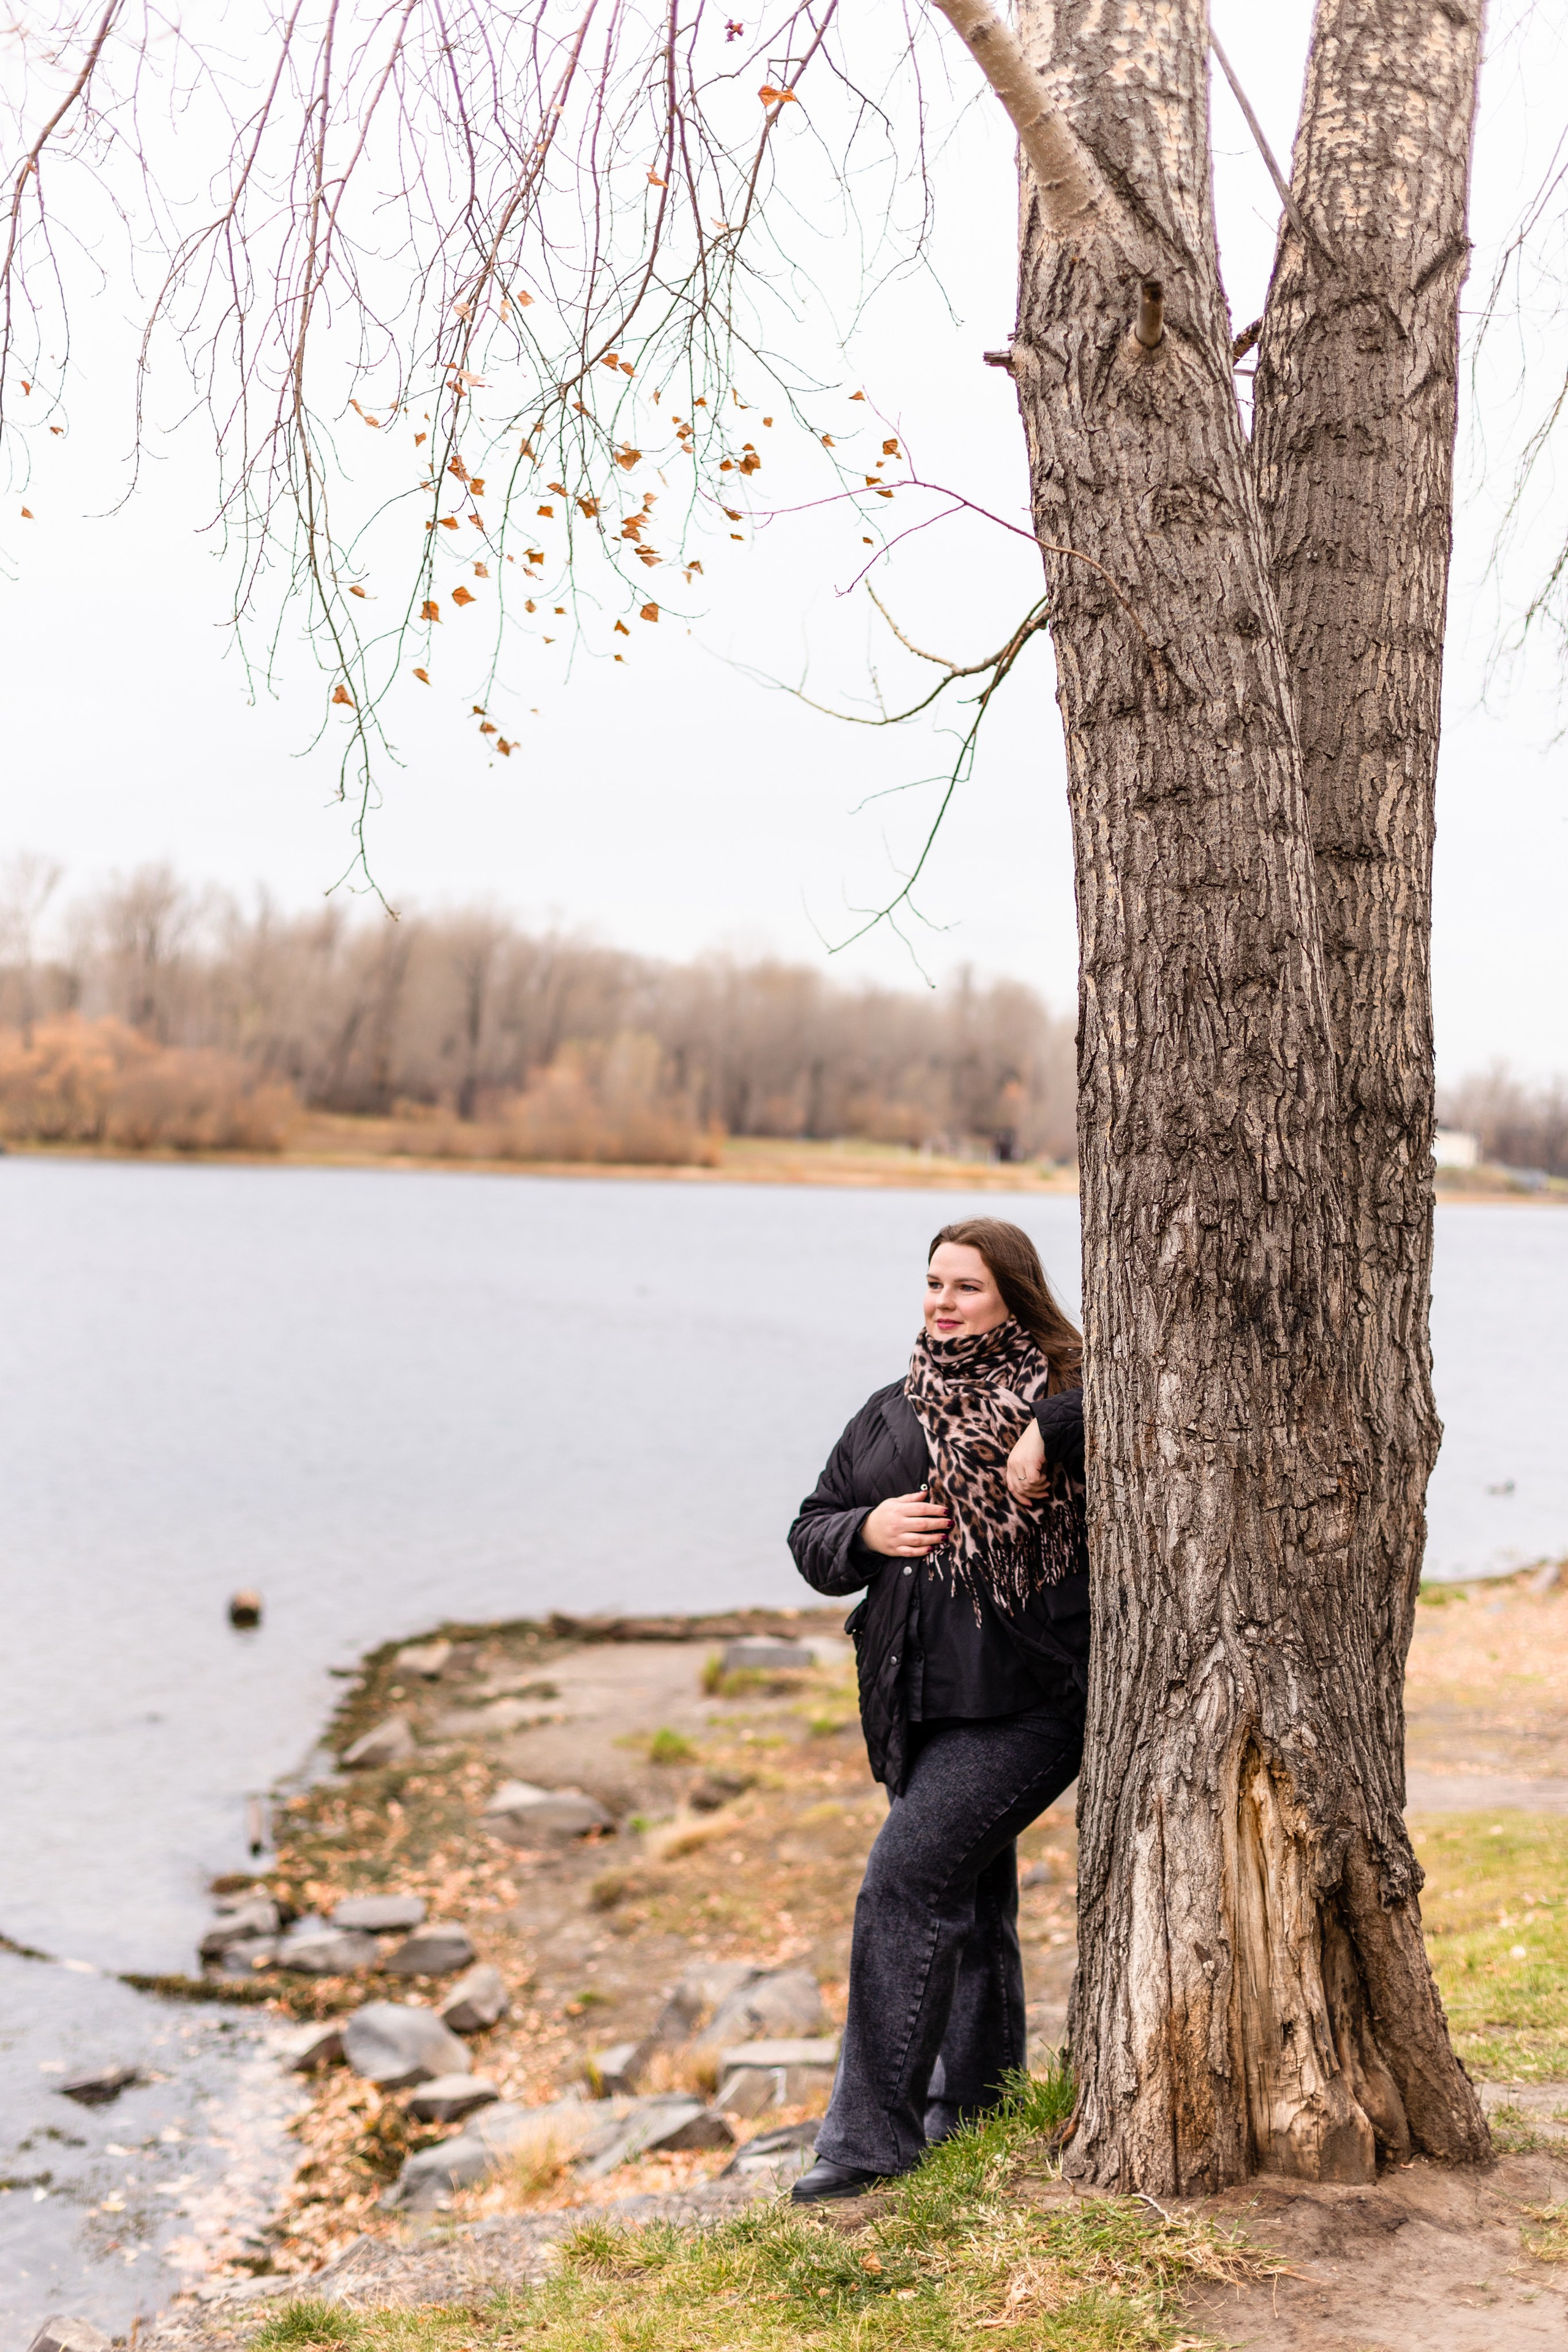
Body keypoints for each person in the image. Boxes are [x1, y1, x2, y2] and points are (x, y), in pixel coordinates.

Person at [786, 1216, 1089, 2201]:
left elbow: (1149, 1402)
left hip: (1036, 1706)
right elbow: (811, 1533)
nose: (943, 1303)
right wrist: (866, 1530)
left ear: (1014, 1297)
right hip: (917, 1707)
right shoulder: (892, 1412)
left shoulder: (1066, 1390)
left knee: (902, 1884)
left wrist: (1050, 1429)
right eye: (933, 1284)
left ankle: (869, 2141)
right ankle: (985, 2107)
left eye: (966, 1287)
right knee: (970, 1899)